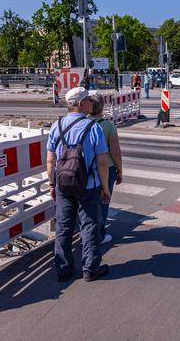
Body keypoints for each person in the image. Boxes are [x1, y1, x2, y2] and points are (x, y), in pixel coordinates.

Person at [46, 87, 111, 282]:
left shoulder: (56, 127)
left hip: (63, 185)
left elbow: (50, 161)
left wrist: (52, 184)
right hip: (88, 185)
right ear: (80, 104)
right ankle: (90, 269)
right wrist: (105, 187)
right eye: (89, 100)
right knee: (89, 226)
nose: (91, 103)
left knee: (64, 227)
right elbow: (102, 162)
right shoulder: (94, 128)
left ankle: (63, 269)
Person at [89, 95, 123, 244]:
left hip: (87, 168)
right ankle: (100, 235)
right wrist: (120, 170)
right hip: (107, 168)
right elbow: (115, 152)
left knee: (88, 202)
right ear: (102, 107)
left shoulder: (83, 123)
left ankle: (88, 231)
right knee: (104, 201)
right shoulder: (108, 126)